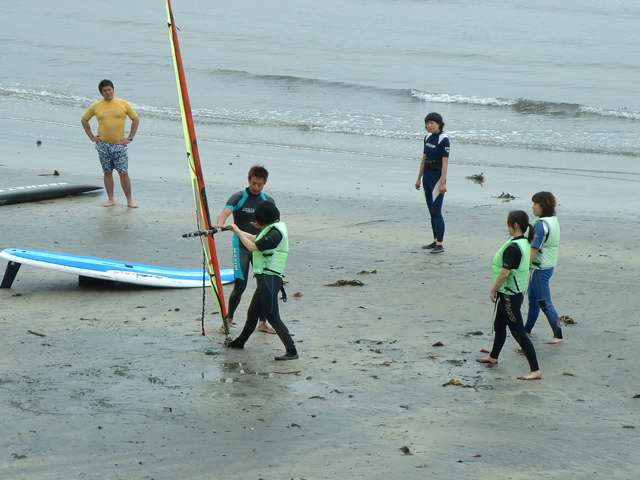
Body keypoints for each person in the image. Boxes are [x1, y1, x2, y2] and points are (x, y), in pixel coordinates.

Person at [225, 202, 298, 361]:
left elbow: (253, 246)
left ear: (264, 220)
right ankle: (240, 342)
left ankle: (292, 351)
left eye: (258, 221)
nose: (256, 224)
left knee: (272, 316)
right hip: (266, 279)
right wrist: (236, 231)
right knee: (252, 313)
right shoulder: (273, 229)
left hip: (269, 279)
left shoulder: (275, 234)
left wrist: (237, 231)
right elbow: (257, 239)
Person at [478, 210, 542, 381]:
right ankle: (493, 356)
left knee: (518, 332)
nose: (507, 228)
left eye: (508, 224)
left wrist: (493, 289)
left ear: (515, 225)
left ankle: (535, 370)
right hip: (513, 293)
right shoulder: (523, 242)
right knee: (499, 325)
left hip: (510, 296)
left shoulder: (514, 247)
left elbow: (505, 273)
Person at [216, 166, 276, 334]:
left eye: (260, 184)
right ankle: (228, 320)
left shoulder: (267, 200)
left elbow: (274, 224)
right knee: (240, 286)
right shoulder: (239, 197)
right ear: (249, 180)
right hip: (241, 246)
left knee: (264, 286)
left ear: (265, 183)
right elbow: (224, 214)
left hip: (259, 246)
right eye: (253, 183)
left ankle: (262, 322)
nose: (256, 187)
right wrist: (219, 226)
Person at [81, 79, 139, 208]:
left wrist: (130, 138)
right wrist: (92, 137)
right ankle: (111, 199)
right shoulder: (96, 106)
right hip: (103, 145)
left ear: (113, 90)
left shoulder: (123, 104)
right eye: (105, 90)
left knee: (123, 172)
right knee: (107, 172)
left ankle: (130, 200)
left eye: (109, 89)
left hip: (119, 145)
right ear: (101, 93)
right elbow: (84, 120)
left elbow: (135, 119)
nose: (108, 92)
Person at [525, 191, 563, 343]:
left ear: (542, 206)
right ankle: (527, 330)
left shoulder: (541, 224)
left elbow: (535, 249)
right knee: (533, 300)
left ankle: (558, 334)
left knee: (544, 302)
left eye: (535, 204)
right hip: (549, 265)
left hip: (539, 268)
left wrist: (524, 267)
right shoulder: (554, 220)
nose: (533, 207)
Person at [415, 112, 449, 254]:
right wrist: (419, 178)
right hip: (427, 177)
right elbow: (423, 159)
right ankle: (435, 241)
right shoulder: (427, 137)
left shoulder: (444, 139)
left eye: (432, 123)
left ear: (439, 124)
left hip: (437, 178)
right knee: (431, 211)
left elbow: (445, 163)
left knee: (436, 211)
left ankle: (440, 245)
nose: (429, 125)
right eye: (427, 123)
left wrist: (443, 183)